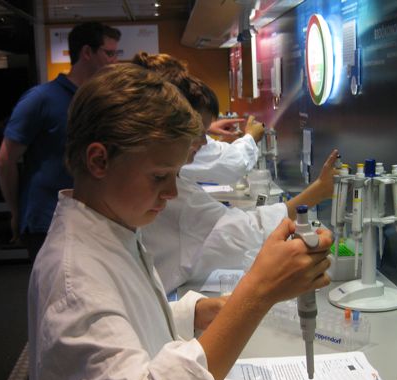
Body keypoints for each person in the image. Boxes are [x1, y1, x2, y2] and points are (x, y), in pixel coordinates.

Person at [28, 62, 332, 380]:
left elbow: (120, 324)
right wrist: (256, 294)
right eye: (159, 176)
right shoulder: (74, 278)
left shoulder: (112, 228)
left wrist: (196, 312)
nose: (171, 192)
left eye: (175, 174)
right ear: (99, 160)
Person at [132, 53, 339, 294]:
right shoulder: (172, 199)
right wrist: (317, 192)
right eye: (197, 132)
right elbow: (243, 234)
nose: (203, 143)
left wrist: (200, 309)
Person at [0, 22, 121, 260]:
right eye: (109, 53)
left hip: (90, 216)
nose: (115, 61)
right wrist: (16, 211)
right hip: (48, 219)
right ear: (87, 52)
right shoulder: (41, 99)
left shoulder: (98, 100)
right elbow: (5, 160)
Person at [132, 52, 265, 186]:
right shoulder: (168, 147)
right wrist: (251, 137)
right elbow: (233, 164)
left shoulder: (147, 140)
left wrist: (207, 128)